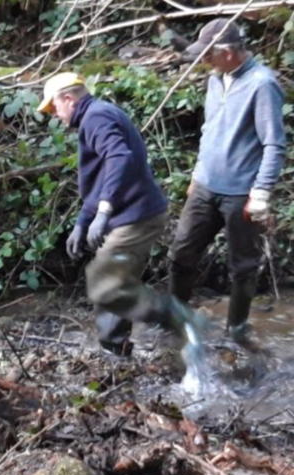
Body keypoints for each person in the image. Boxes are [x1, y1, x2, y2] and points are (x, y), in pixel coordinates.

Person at [38, 73, 200, 356]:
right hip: (132, 214)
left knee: (103, 281)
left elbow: (119, 158)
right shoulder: (96, 116)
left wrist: (104, 211)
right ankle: (116, 348)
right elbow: (102, 178)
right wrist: (82, 223)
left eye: (54, 108)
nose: (55, 115)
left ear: (69, 99)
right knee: (112, 283)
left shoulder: (96, 118)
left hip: (137, 218)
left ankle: (178, 317)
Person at [169, 18, 286, 345]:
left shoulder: (262, 84)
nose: (205, 61)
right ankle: (176, 320)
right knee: (181, 254)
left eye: (209, 55)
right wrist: (196, 173)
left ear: (230, 52)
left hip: (242, 194)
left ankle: (236, 331)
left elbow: (274, 143)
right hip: (206, 187)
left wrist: (261, 192)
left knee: (243, 267)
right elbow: (210, 131)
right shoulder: (216, 79)